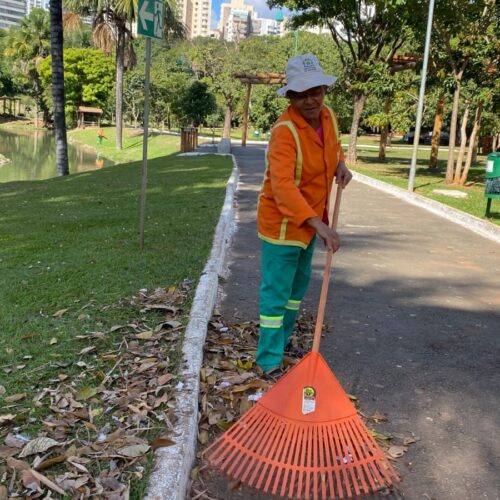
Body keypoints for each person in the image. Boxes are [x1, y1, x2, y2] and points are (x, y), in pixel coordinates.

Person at [256, 53, 352, 378]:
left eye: (316, 91)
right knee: (276, 295)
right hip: (283, 227)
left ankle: (282, 345)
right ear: (291, 96)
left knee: (296, 291)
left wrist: (340, 164)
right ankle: (268, 361)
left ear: (324, 90)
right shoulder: (284, 132)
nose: (311, 100)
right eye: (302, 94)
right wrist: (319, 225)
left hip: (311, 224)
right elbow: (282, 187)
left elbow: (334, 147)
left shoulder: (328, 117)